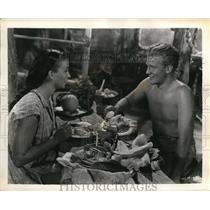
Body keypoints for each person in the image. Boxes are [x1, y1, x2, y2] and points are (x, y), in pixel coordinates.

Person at [110, 43, 196, 183]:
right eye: (147, 66)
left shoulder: (183, 93)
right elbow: (127, 101)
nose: (147, 71)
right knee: (127, 170)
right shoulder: (148, 83)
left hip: (180, 152)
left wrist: (176, 173)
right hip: (157, 144)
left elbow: (185, 140)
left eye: (153, 67)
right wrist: (114, 110)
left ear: (168, 68)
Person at [8, 49, 72, 184]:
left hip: (37, 170)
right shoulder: (31, 106)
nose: (69, 75)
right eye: (66, 70)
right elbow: (18, 159)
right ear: (51, 74)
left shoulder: (47, 99)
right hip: (19, 179)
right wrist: (56, 139)